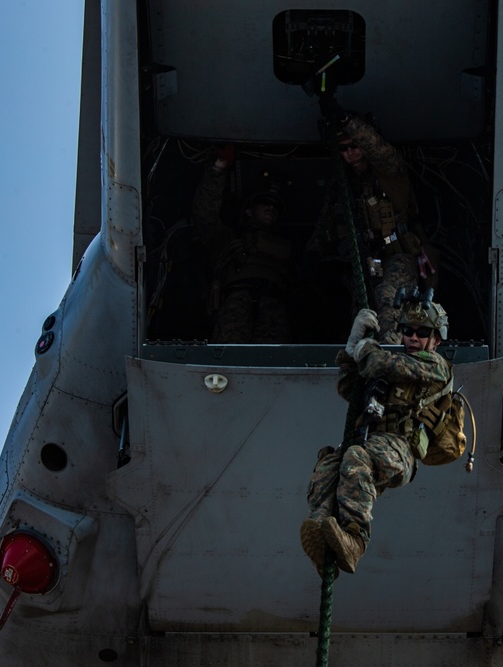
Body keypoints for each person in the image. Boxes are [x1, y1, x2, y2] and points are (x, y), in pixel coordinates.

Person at [300, 296, 452, 575]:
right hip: (369, 439)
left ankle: (355, 540)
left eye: (422, 333)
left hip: (399, 448)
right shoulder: (389, 361)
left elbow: (376, 363)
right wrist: (350, 353)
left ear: (436, 340)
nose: (413, 338)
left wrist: (363, 348)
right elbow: (350, 390)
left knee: (356, 457)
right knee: (328, 466)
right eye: (408, 331)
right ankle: (323, 533)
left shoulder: (435, 366)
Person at [306, 94, 434, 344]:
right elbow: (325, 224)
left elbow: (379, 150)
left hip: (397, 255)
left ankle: (391, 359)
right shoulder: (343, 187)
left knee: (388, 300)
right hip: (368, 261)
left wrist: (346, 120)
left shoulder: (389, 172)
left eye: (355, 145)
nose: (351, 152)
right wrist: (312, 254)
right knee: (362, 316)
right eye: (343, 149)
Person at [191, 150, 294, 343]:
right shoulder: (228, 238)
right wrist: (218, 169)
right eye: (264, 203)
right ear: (248, 211)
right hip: (236, 301)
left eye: (275, 207)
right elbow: (204, 215)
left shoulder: (289, 248)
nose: (270, 208)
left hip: (274, 306)